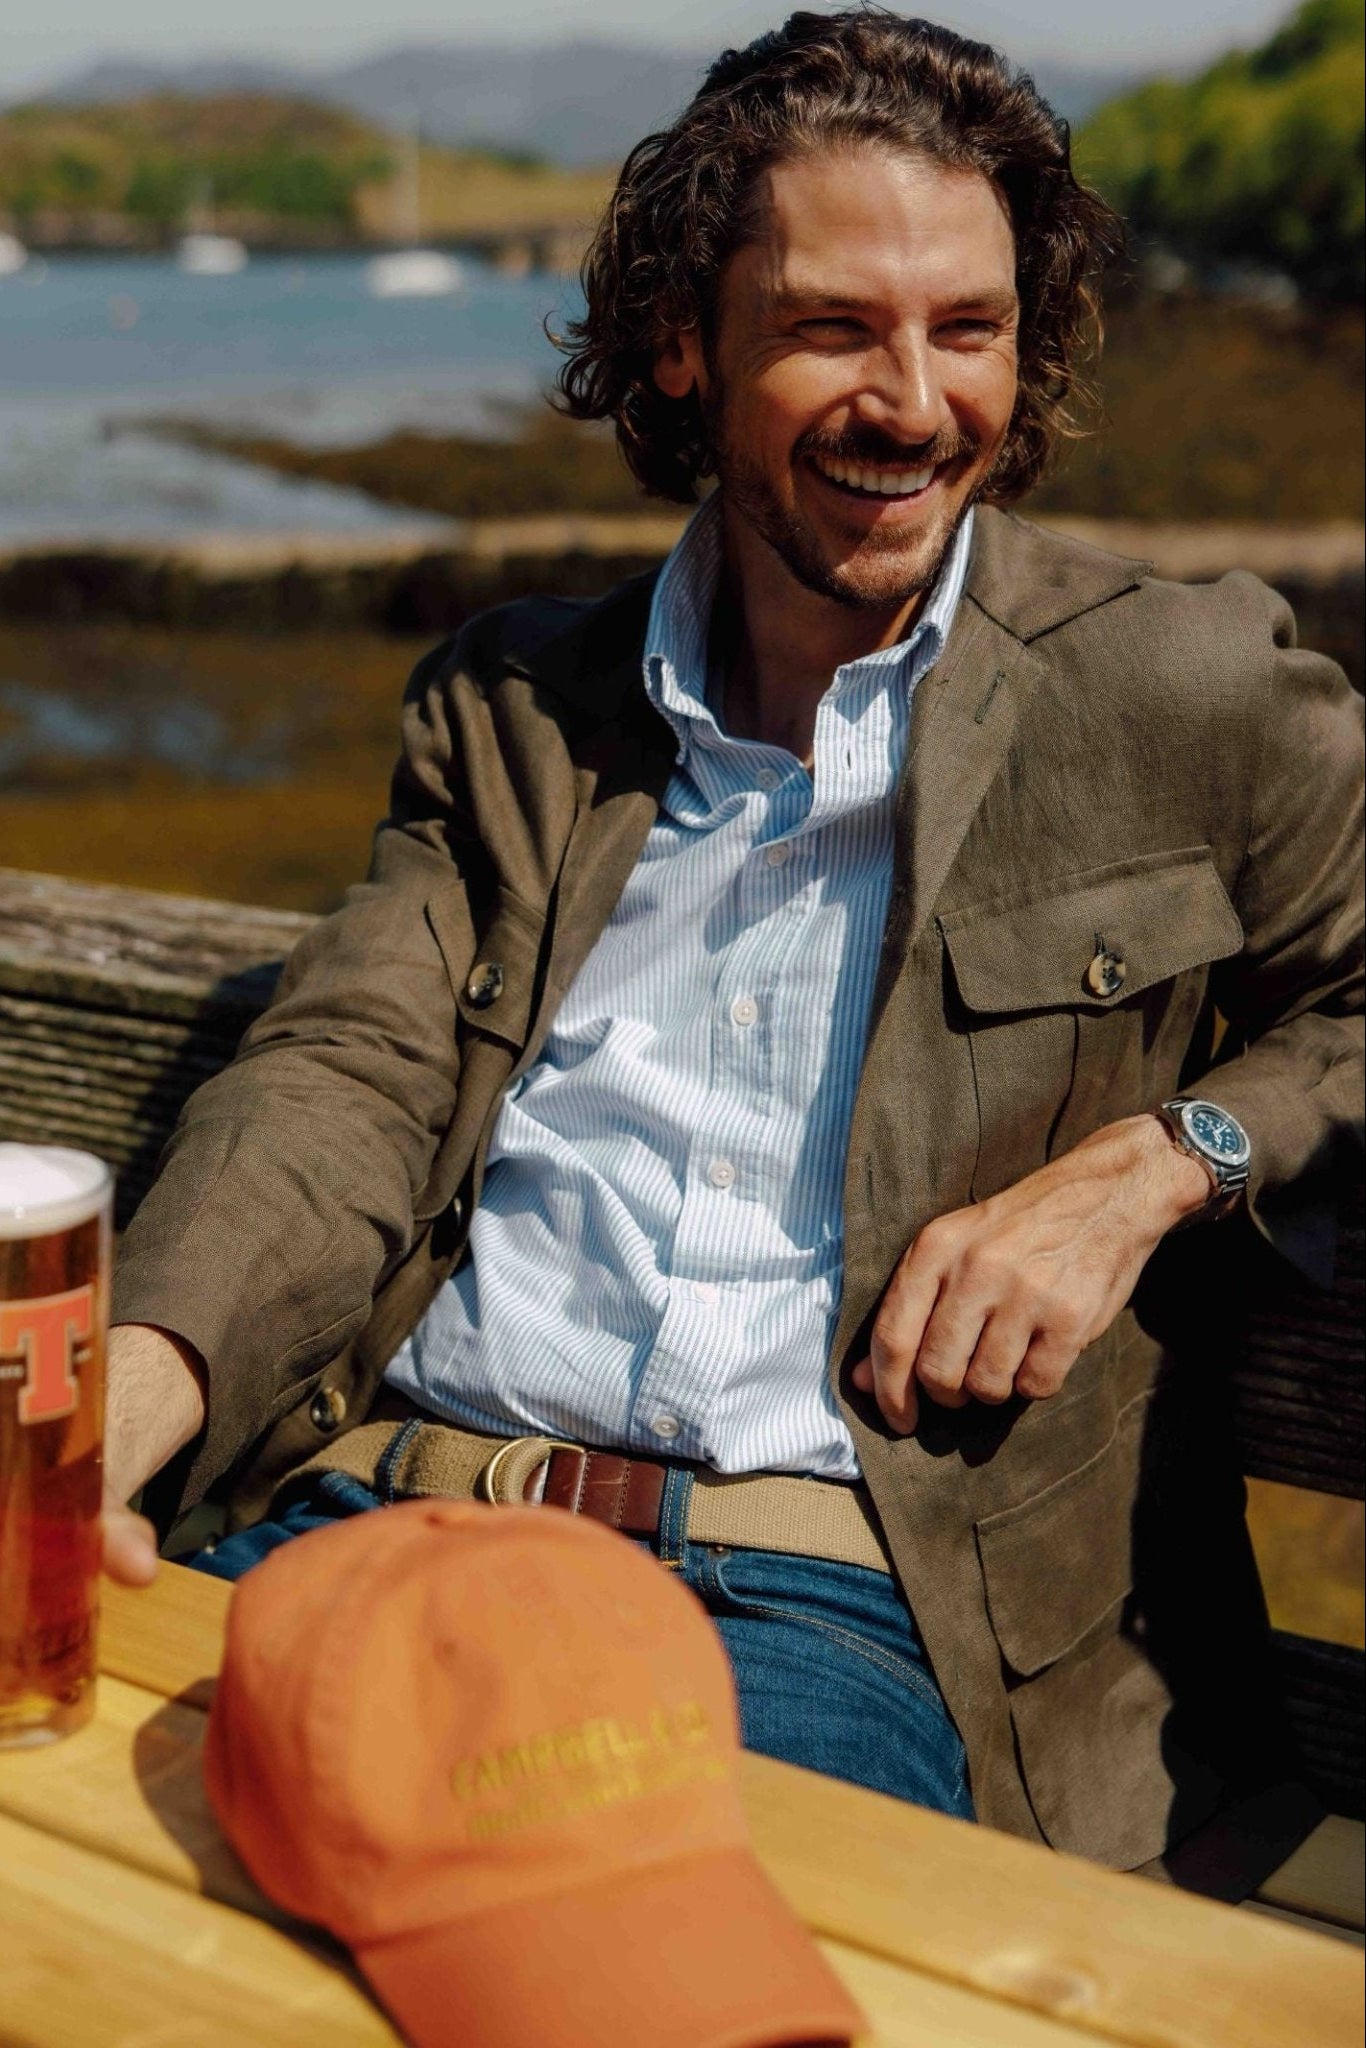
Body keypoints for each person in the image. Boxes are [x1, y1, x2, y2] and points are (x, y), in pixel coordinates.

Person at [103, 10, 1363, 1889]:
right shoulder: (517, 710)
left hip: (823, 1614)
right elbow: (343, 1081)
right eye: (835, 327)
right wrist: (119, 1402)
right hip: (365, 1519)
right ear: (683, 340)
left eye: (969, 328)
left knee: (586, 1960)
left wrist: (1158, 1165)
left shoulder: (1178, 692)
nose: (917, 402)